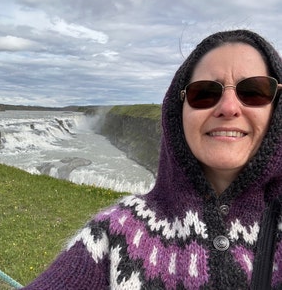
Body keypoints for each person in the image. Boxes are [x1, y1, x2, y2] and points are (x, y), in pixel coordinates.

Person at [22, 29, 282, 289]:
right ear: (178, 113)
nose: (228, 108)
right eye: (204, 93)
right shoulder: (114, 234)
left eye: (253, 91)